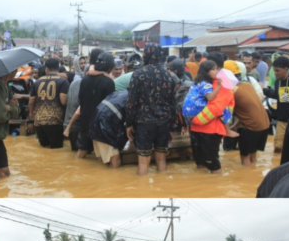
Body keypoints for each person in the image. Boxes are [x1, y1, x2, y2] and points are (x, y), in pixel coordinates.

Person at [126, 44, 179, 176]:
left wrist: (128, 124)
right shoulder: (169, 75)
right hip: (164, 122)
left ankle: (143, 193)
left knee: (144, 162)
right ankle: (161, 190)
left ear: (146, 55)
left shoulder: (138, 74)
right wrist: (171, 126)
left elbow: (131, 102)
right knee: (161, 159)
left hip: (144, 122)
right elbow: (173, 103)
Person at [188, 61, 232, 174]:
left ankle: (213, 188)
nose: (216, 71)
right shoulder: (203, 83)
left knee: (213, 164)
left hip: (209, 130)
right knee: (200, 163)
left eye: (217, 69)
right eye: (214, 69)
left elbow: (217, 107)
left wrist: (195, 120)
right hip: (196, 128)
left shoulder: (222, 85)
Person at [71, 53, 116, 160]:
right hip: (101, 123)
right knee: (103, 154)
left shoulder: (85, 79)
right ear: (110, 67)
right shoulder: (109, 82)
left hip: (85, 120)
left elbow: (81, 100)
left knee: (82, 151)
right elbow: (109, 105)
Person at [231, 73, 272, 167]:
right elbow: (248, 111)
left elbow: (224, 112)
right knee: (253, 155)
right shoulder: (247, 85)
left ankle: (247, 180)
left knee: (245, 158)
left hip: (252, 128)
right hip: (264, 125)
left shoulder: (232, 91)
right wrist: (235, 125)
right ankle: (254, 178)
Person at [30, 58, 70, 149]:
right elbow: (63, 101)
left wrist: (31, 113)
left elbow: (31, 101)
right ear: (58, 68)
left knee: (44, 149)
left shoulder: (38, 82)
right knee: (56, 150)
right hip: (55, 121)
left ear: (46, 69)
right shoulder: (63, 81)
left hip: (39, 121)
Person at [62, 75, 83, 152]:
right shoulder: (80, 83)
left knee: (76, 152)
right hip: (77, 124)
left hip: (70, 124)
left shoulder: (74, 83)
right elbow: (78, 107)